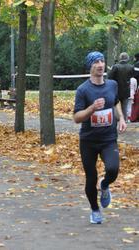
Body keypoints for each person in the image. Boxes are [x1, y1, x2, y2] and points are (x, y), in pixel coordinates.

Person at [73, 51, 127, 224]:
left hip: (108, 139)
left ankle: (104, 186)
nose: (100, 64)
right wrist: (91, 109)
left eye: (102, 61)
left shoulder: (112, 85)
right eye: (96, 62)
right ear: (90, 66)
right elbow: (76, 118)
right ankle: (95, 210)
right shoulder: (83, 90)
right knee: (91, 177)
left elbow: (116, 101)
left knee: (113, 169)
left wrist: (121, 118)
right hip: (88, 141)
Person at [107, 52, 134, 121]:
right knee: (124, 107)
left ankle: (116, 122)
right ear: (127, 58)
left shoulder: (115, 67)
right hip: (126, 90)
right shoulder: (131, 67)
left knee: (116, 106)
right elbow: (132, 76)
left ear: (120, 58)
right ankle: (124, 122)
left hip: (116, 90)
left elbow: (109, 77)